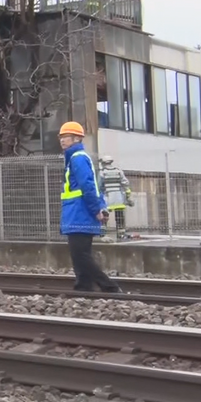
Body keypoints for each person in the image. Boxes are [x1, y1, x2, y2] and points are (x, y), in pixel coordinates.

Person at [58, 122, 120, 293]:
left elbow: (88, 186)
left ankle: (109, 287)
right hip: (78, 212)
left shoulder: (77, 158)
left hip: (80, 212)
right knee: (79, 255)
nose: (62, 140)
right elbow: (91, 186)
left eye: (65, 137)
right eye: (61, 137)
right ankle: (83, 287)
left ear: (76, 138)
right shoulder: (75, 158)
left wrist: (96, 209)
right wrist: (99, 207)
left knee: (81, 255)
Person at [98, 157, 133, 241]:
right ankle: (121, 234)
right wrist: (128, 195)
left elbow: (99, 185)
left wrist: (99, 197)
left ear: (103, 162)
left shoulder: (102, 172)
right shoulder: (118, 171)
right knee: (120, 216)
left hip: (107, 197)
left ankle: (102, 234)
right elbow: (125, 183)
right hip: (119, 197)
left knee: (104, 216)